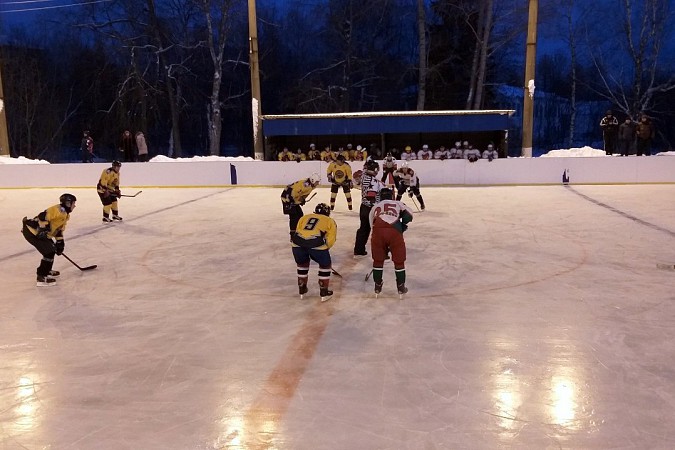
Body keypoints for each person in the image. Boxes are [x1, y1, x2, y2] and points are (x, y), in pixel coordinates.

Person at [22, 193, 77, 286]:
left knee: (52, 250)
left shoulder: (66, 215)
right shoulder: (58, 210)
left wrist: (60, 242)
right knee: (49, 252)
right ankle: (41, 277)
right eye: (73, 203)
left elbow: (59, 230)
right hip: (32, 232)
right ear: (68, 203)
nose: (74, 205)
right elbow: (42, 216)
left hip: (40, 234)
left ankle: (47, 270)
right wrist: (43, 229)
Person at [368, 187, 414, 297]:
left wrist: (381, 238)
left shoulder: (375, 206)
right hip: (394, 233)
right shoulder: (398, 203)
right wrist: (402, 225)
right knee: (399, 261)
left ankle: (377, 286)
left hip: (377, 231)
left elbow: (371, 224)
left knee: (378, 261)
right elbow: (409, 215)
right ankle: (401, 287)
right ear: (392, 196)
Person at [292, 203, 338, 302]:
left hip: (297, 242)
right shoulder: (330, 221)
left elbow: (298, 230)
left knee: (302, 263)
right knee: (325, 265)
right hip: (315, 242)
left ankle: (302, 286)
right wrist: (324, 249)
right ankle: (323, 291)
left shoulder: (305, 217)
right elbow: (331, 239)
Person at [353, 160, 383, 257]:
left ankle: (359, 249)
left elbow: (355, 180)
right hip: (372, 209)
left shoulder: (363, 177)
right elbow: (371, 196)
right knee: (377, 230)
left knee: (363, 229)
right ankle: (381, 252)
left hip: (364, 207)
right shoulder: (373, 181)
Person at [281, 173, 321, 240]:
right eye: (317, 182)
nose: (318, 183)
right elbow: (293, 191)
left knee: (300, 215)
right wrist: (290, 201)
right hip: (287, 197)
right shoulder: (305, 185)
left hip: (291, 197)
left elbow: (302, 194)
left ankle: (298, 232)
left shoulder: (310, 185)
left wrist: (301, 200)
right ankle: (293, 236)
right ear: (313, 180)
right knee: (294, 217)